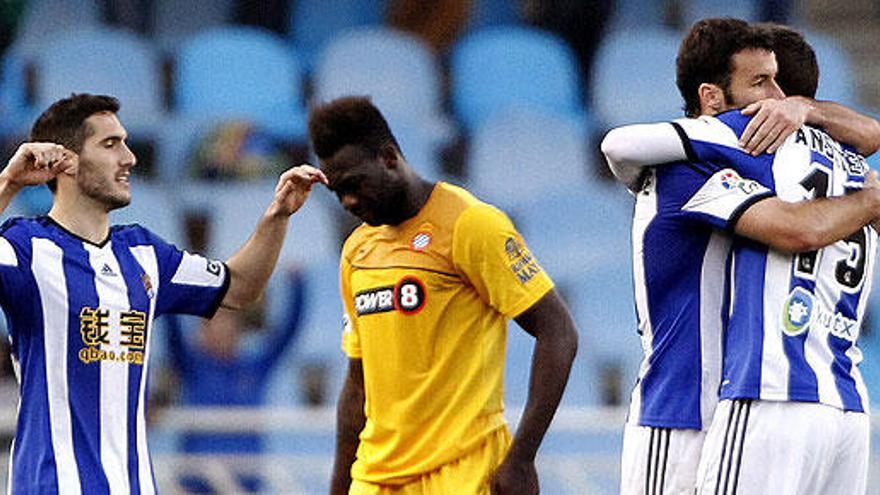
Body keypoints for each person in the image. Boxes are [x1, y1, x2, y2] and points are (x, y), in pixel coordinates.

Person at [600, 19, 880, 494]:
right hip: (683, 407)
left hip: (746, 402)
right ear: (711, 98)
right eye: (760, 83)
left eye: (780, 87)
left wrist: (805, 111)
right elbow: (617, 144)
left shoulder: (783, 162)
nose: (774, 100)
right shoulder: (687, 169)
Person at [0, 93, 327, 493]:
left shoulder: (145, 253)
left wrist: (276, 216)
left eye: (124, 141)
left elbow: (240, 287)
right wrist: (9, 181)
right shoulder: (25, 248)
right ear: (64, 161)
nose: (129, 157)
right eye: (110, 144)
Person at [308, 96, 578, 495]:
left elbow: (558, 332)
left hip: (463, 473)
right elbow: (358, 384)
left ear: (388, 158)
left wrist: (521, 459)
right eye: (337, 192)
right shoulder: (357, 252)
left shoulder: (470, 223)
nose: (348, 201)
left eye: (354, 185)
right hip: (375, 479)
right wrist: (339, 484)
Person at [164, 269, 306, 493]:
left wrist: (297, 285)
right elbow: (172, 333)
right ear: (203, 332)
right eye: (213, 324)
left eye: (227, 322)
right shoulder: (192, 366)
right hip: (196, 486)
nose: (222, 329)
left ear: (238, 329)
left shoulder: (254, 367)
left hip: (244, 486)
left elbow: (287, 334)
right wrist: (170, 280)